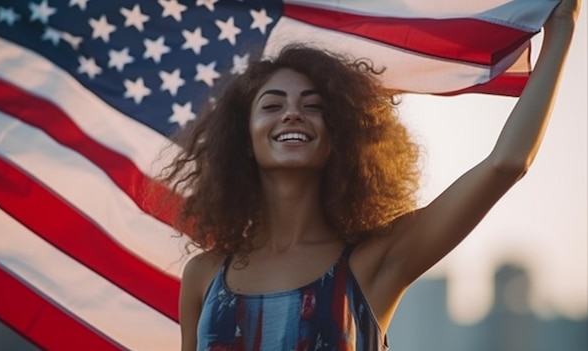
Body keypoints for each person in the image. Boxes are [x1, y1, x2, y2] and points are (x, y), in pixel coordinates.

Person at [157, 0, 580, 349]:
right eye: (272, 105)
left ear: (338, 137)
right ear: (243, 140)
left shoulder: (376, 261)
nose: (292, 113)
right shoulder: (205, 276)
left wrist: (561, 27)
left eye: (313, 105)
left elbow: (506, 163)